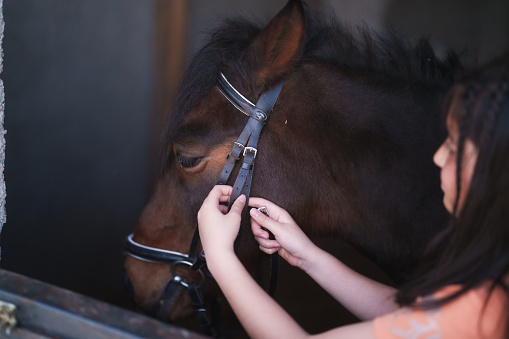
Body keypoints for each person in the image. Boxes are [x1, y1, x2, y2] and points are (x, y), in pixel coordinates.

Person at [197, 55, 509, 338]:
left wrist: (220, 257)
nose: (439, 157)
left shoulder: (484, 309)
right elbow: (412, 317)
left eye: (454, 149)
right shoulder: (491, 281)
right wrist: (310, 258)